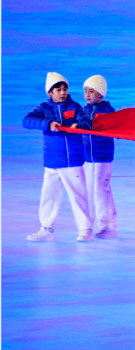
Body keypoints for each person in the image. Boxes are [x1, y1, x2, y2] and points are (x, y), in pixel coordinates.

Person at [23, 72, 94, 242]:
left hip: (72, 161)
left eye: (65, 89)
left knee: (78, 194)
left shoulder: (75, 107)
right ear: (49, 92)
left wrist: (79, 125)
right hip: (53, 161)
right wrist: (48, 124)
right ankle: (47, 229)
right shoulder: (43, 109)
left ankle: (85, 229)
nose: (62, 93)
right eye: (58, 89)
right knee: (49, 195)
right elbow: (27, 120)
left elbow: (87, 122)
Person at [82, 75, 118, 239]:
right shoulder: (84, 110)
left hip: (102, 157)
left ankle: (107, 225)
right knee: (92, 190)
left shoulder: (108, 111)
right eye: (85, 91)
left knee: (101, 190)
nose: (88, 95)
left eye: (91, 91)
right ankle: (95, 223)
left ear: (101, 94)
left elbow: (117, 129)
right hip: (87, 158)